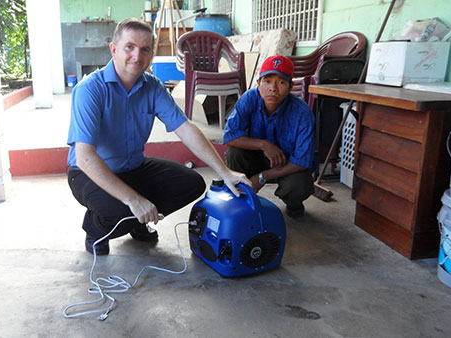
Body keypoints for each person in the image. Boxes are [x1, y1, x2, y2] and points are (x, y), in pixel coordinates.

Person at [66, 18, 250, 255]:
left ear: (151, 55)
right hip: (87, 174)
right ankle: (96, 229)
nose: (137, 56)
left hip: (133, 167)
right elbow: (85, 159)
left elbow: (185, 128)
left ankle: (137, 222)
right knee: (123, 209)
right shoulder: (90, 89)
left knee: (191, 184)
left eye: (144, 50)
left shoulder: (152, 86)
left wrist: (225, 172)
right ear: (114, 49)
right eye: (129, 47)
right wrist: (134, 200)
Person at [223, 55, 315, 218]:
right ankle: (242, 198)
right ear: (258, 84)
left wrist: (262, 177)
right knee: (234, 154)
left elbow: (302, 160)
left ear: (290, 86)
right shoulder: (249, 99)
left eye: (280, 82)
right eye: (267, 81)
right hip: (255, 157)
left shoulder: (302, 112)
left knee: (299, 185)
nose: (273, 88)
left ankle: (293, 203)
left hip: (285, 164)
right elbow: (230, 136)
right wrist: (264, 145)